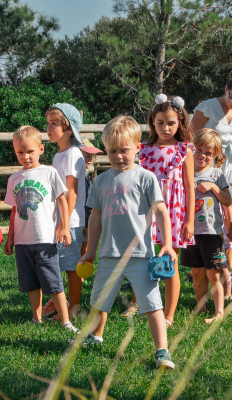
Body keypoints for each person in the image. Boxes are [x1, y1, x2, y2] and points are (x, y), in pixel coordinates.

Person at [77, 115, 177, 370]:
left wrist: (166, 244)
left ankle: (162, 352)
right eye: (112, 152)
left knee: (152, 305)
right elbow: (96, 217)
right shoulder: (100, 181)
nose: (119, 156)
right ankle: (95, 337)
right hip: (109, 255)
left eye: (124, 150)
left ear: (137, 147)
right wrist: (90, 251)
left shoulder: (146, 178)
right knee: (98, 301)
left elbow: (161, 211)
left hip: (141, 256)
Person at [2, 126, 78, 333]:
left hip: (45, 239)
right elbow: (14, 210)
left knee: (53, 282)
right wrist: (10, 237)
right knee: (31, 283)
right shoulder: (14, 179)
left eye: (30, 151)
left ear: (41, 150)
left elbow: (62, 200)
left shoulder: (50, 173)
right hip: (23, 242)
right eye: (20, 152)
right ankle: (37, 319)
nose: (25, 156)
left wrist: (64, 227)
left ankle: (66, 322)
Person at [132, 94, 195, 328]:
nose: (166, 128)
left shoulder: (184, 150)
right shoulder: (145, 150)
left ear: (180, 123)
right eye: (160, 123)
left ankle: (169, 315)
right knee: (143, 257)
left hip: (175, 210)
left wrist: (190, 220)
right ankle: (139, 304)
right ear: (152, 122)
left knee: (170, 261)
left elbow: (190, 187)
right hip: (148, 209)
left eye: (171, 123)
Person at [191, 75, 232, 279]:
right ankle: (200, 265)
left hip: (230, 165)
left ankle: (229, 266)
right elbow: (190, 138)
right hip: (206, 163)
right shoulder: (207, 107)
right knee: (208, 214)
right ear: (226, 89)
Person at [181, 129, 232, 324]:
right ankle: (200, 308)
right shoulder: (184, 172)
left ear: (215, 154)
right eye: (199, 150)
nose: (202, 155)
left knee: (214, 273)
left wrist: (214, 188)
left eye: (208, 152)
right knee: (197, 273)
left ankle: (219, 312)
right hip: (189, 231)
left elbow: (228, 200)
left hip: (212, 232)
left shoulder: (216, 174)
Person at [41, 104, 87, 320]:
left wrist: (64, 223)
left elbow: (72, 193)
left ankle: (74, 307)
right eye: (48, 123)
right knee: (58, 263)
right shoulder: (59, 154)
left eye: (54, 123)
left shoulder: (72, 154)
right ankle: (58, 302)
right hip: (60, 220)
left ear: (69, 129)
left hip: (70, 222)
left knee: (71, 267)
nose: (48, 128)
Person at [78, 139, 104, 259]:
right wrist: (82, 222)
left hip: (88, 219)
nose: (90, 160)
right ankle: (80, 276)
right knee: (82, 250)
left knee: (87, 248)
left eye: (91, 157)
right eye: (87, 156)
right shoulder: (78, 179)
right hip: (82, 221)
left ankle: (83, 275)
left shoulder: (85, 176)